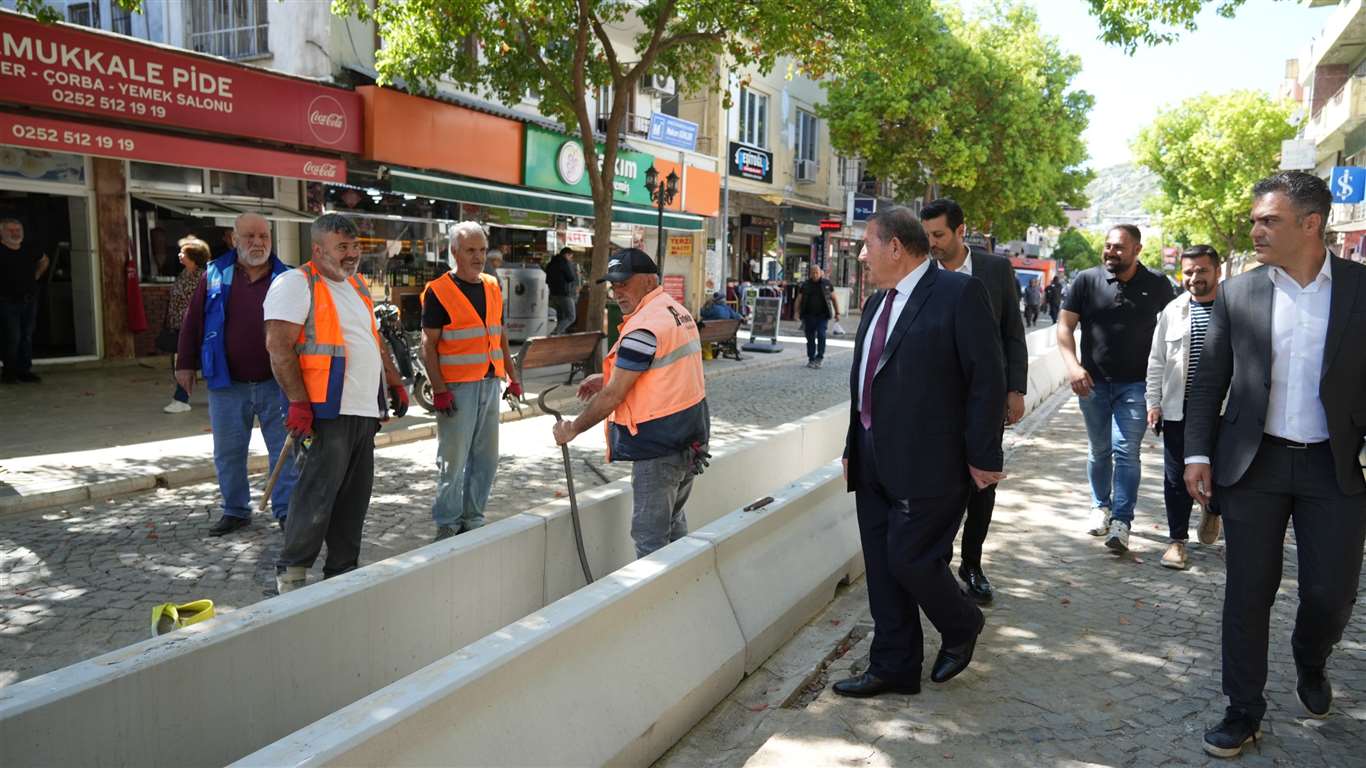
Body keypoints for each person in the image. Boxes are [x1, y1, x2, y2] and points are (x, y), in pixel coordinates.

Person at [1184, 172, 1366, 758]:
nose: (1256, 229)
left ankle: (1311, 658)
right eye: (1256, 219)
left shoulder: (1362, 289)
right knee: (1247, 592)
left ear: (1311, 225)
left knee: (1332, 592)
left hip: (1333, 467)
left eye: (1270, 220)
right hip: (1253, 466)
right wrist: (1197, 451)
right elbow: (1210, 377)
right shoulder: (1238, 293)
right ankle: (1243, 710)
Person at [832, 206, 1005, 699]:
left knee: (911, 560)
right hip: (871, 459)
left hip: (933, 462)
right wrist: (852, 445)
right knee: (883, 570)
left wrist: (984, 456)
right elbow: (864, 384)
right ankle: (893, 666)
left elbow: (986, 382)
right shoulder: (875, 305)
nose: (861, 255)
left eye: (867, 244)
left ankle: (962, 622)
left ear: (895, 247)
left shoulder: (958, 293)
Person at [264, 213, 408, 593]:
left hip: (363, 410)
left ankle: (342, 572)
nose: (351, 254)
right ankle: (292, 574)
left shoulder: (358, 285)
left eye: (355, 246)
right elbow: (278, 347)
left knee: (353, 500)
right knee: (316, 494)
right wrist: (298, 403)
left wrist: (394, 382)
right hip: (325, 410)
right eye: (342, 247)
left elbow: (372, 340)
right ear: (317, 249)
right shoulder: (296, 283)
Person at [552, 248, 710, 558]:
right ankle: (682, 595)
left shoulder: (644, 327)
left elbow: (613, 396)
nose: (617, 291)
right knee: (674, 524)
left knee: (650, 537)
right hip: (689, 438)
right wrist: (607, 377)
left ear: (650, 281)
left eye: (624, 283)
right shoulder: (674, 311)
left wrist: (573, 428)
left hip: (659, 446)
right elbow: (664, 371)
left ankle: (657, 604)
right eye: (613, 284)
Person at [921, 198, 1028, 604]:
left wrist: (1014, 389)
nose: (931, 243)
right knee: (941, 485)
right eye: (927, 235)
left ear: (961, 231)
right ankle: (939, 566)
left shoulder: (995, 270)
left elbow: (1012, 333)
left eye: (939, 235)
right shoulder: (922, 271)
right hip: (936, 403)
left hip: (985, 399)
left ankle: (972, 562)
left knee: (982, 484)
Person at [176, 213, 299, 536]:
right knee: (229, 453)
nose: (257, 243)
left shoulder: (288, 277)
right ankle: (235, 510)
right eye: (249, 236)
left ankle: (286, 510)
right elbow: (193, 321)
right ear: (234, 239)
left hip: (278, 383)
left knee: (284, 450)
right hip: (227, 382)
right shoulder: (215, 273)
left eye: (264, 236)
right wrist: (184, 364)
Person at [1057, 224, 1175, 552]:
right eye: (1108, 246)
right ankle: (1100, 506)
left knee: (1126, 451)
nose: (1111, 252)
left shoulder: (1158, 284)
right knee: (1099, 450)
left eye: (1119, 247)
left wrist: (1163, 385)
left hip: (1136, 385)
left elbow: (1171, 331)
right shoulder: (1085, 280)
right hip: (1091, 383)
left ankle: (1122, 521)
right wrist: (1073, 367)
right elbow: (1065, 327)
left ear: (1137, 250)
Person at [422, 222, 522, 541]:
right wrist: (438, 389)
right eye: (471, 250)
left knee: (487, 458)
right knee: (453, 459)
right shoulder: (438, 291)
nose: (479, 257)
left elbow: (500, 333)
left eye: (482, 250)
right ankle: (448, 522)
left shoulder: (492, 285)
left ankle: (473, 518)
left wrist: (513, 376)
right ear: (455, 252)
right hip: (456, 388)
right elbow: (429, 345)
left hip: (490, 383)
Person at [1144, 245, 1223, 571]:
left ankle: (1213, 508)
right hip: (1179, 409)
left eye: (1201, 271)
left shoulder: (1235, 308)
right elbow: (1156, 361)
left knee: (1223, 472)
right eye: (1188, 272)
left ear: (1217, 271)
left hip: (1224, 411)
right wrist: (1154, 402)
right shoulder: (1173, 310)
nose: (1194, 278)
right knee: (1175, 478)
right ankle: (1177, 541)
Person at [162, 236, 210, 414]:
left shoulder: (202, 277)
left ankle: (181, 399)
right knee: (187, 363)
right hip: (179, 326)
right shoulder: (183, 275)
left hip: (195, 328)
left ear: (194, 256)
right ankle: (182, 398)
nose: (180, 255)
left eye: (184, 252)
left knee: (188, 362)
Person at [0, 217, 49, 384]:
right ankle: (9, 373)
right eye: (10, 230)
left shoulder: (30, 248)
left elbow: (44, 260)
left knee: (26, 336)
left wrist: (35, 276)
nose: (15, 233)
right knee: (12, 337)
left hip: (29, 301)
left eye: (18, 230)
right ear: (2, 232)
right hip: (6, 302)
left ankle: (24, 371)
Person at [797, 265, 839, 369]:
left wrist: (837, 313)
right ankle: (811, 358)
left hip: (822, 316)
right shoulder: (805, 285)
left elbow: (834, 298)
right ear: (810, 274)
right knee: (810, 338)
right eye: (813, 273)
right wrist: (796, 312)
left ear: (820, 273)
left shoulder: (827, 284)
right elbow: (799, 299)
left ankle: (819, 357)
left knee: (821, 335)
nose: (815, 275)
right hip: (808, 315)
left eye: (817, 272)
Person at [546, 246, 579, 335]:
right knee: (571, 317)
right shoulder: (564, 263)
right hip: (564, 294)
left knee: (561, 316)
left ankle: (559, 335)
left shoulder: (551, 263)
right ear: (566, 254)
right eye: (570, 256)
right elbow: (570, 277)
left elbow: (547, 278)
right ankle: (555, 333)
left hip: (553, 294)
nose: (570, 259)